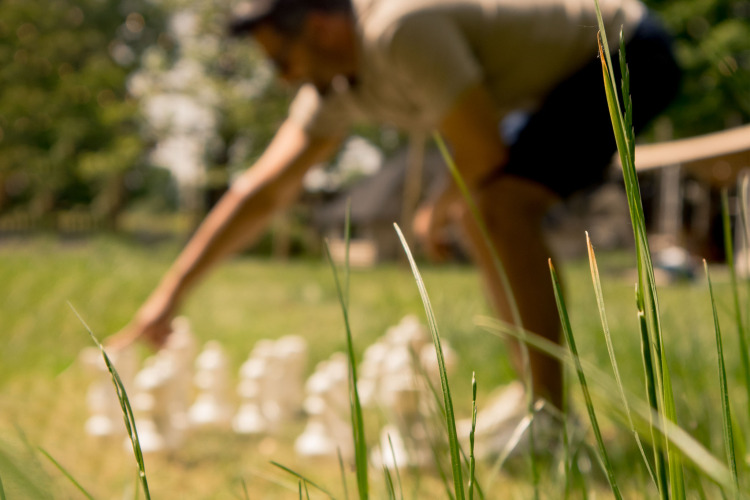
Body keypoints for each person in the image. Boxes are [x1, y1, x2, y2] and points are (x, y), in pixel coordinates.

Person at [111, 0, 680, 418]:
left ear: (321, 24)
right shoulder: (335, 86)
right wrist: (169, 297)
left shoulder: (399, 31)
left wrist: (438, 205)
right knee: (485, 208)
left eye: (281, 60)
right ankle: (537, 397)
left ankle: (550, 418)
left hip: (623, 48)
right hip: (551, 84)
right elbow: (260, 192)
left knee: (501, 207)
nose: (282, 79)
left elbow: (483, 149)